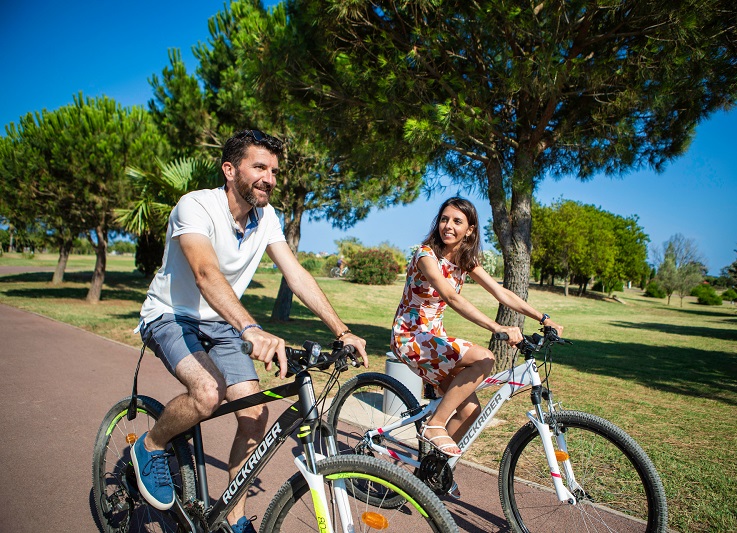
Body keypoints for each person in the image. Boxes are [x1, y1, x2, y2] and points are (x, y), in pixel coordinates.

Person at [132, 129, 368, 533]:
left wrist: (342, 330)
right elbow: (206, 274)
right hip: (172, 314)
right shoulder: (195, 207)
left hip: (222, 322)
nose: (270, 178)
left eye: (274, 171)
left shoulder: (267, 217)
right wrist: (252, 328)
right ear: (230, 170)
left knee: (256, 414)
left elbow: (296, 275)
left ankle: (232, 520)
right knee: (207, 394)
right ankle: (150, 445)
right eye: (259, 167)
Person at [391, 197, 562, 459]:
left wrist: (543, 318)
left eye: (457, 221)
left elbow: (501, 292)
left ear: (470, 229)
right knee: (484, 358)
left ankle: (433, 469)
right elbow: (452, 297)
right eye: (444, 219)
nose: (448, 226)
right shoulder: (426, 255)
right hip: (411, 337)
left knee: (470, 411)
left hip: (433, 339)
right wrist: (497, 328)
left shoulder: (464, 260)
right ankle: (435, 425)